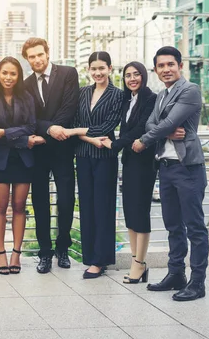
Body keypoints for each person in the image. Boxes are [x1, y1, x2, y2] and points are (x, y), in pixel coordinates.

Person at [134, 46, 209, 301]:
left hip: (188, 168)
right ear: (156, 70)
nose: (166, 69)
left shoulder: (190, 90)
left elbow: (163, 123)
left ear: (180, 66)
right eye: (161, 66)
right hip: (166, 168)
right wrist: (164, 131)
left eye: (170, 65)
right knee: (173, 226)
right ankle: (176, 273)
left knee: (195, 228)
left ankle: (197, 282)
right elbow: (153, 123)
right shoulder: (161, 95)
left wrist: (146, 139)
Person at [22, 37, 79, 273]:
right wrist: (49, 130)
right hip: (39, 150)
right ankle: (44, 253)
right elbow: (29, 117)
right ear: (27, 59)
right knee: (40, 203)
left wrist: (53, 129)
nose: (36, 59)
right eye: (31, 57)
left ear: (47, 52)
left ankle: (63, 248)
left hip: (64, 148)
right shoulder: (24, 85)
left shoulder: (68, 73)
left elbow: (70, 106)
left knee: (66, 200)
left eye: (39, 54)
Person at [64, 51, 122, 279]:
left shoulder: (118, 95)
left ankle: (100, 260)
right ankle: (89, 257)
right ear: (88, 70)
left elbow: (107, 126)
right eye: (93, 69)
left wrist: (75, 133)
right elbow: (75, 123)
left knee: (103, 207)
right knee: (86, 206)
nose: (98, 73)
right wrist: (85, 137)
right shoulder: (82, 93)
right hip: (84, 155)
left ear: (110, 68)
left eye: (102, 68)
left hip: (105, 158)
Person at [0, 57, 41, 275]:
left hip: (23, 159)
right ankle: (0, 253)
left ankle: (16, 253)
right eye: (5, 73)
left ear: (19, 76)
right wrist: (22, 137)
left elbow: (31, 126)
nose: (8, 77)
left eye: (13, 74)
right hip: (0, 158)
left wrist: (5, 133)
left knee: (18, 206)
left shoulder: (27, 98)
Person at [100, 61, 157, 284]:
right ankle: (136, 260)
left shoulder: (151, 99)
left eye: (136, 74)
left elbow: (141, 128)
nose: (132, 79)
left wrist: (114, 144)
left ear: (143, 76)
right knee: (130, 212)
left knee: (140, 212)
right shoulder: (126, 100)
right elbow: (122, 127)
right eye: (127, 76)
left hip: (145, 162)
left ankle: (139, 264)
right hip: (130, 160)